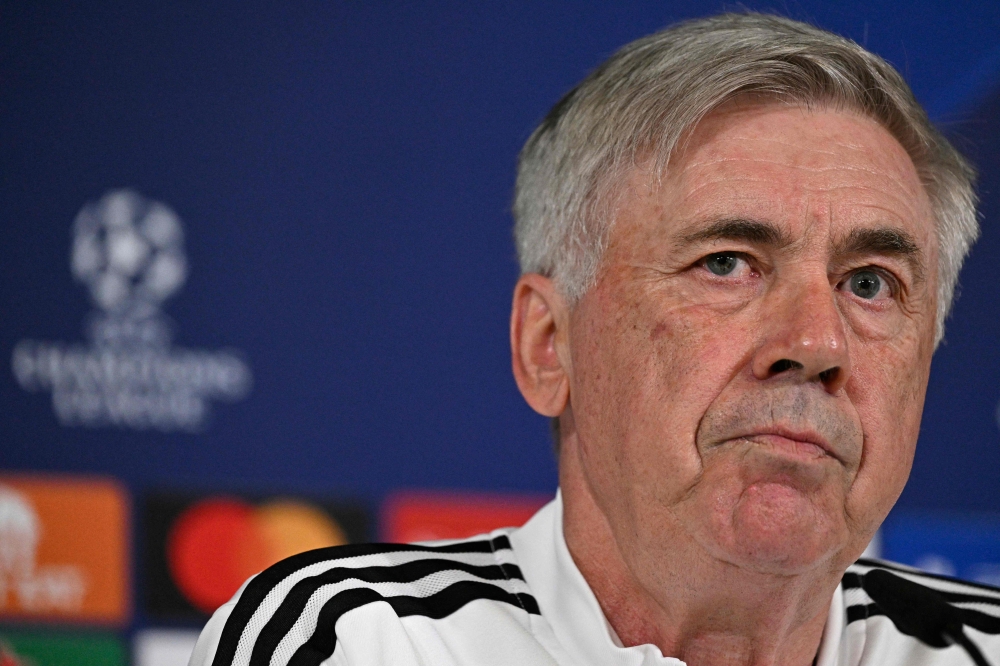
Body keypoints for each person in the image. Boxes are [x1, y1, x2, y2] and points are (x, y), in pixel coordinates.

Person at [189, 12, 1000, 666]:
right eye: (728, 264)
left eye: (869, 284)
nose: (817, 341)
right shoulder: (356, 645)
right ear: (549, 344)